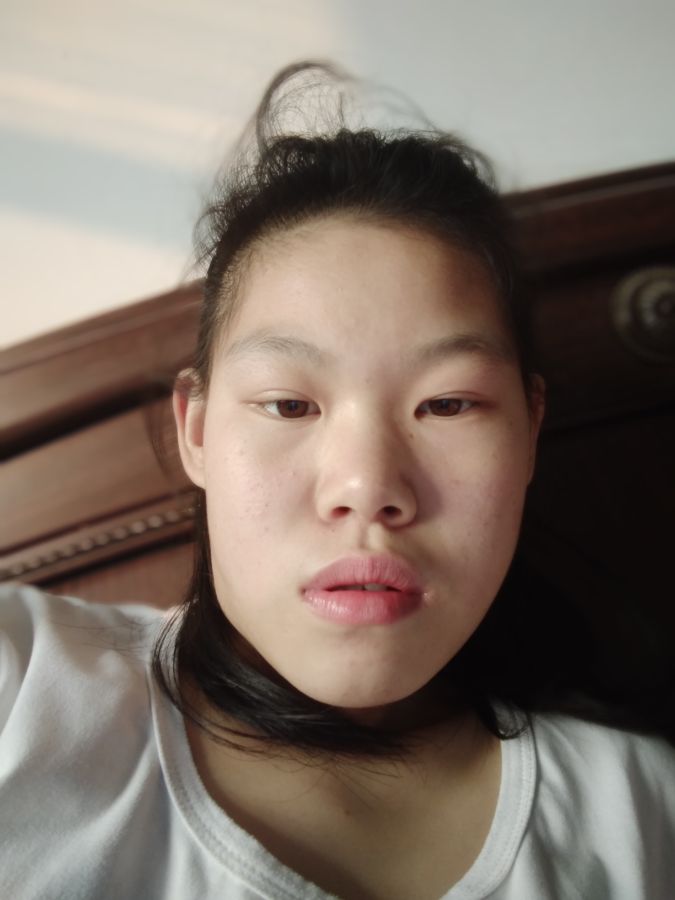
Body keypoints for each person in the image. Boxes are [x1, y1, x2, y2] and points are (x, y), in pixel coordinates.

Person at [1, 62, 674, 900]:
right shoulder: (24, 689)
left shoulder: (641, 817)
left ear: (529, 433)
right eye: (288, 404)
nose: (365, 487)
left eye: (447, 403)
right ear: (197, 431)